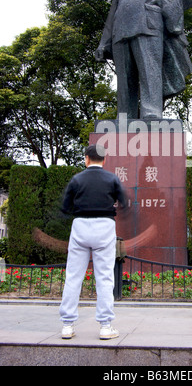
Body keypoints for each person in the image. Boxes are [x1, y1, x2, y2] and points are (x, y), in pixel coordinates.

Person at [95, 0, 192, 119]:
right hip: (119, 32)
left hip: (148, 27)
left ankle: (151, 111)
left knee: (150, 70)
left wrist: (163, 2)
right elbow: (112, 15)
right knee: (125, 78)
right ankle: (125, 115)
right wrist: (103, 43)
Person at [59, 144, 127, 340]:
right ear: (104, 160)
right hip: (105, 226)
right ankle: (105, 326)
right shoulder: (112, 178)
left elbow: (65, 207)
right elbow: (124, 203)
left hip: (80, 226)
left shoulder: (77, 179)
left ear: (86, 159)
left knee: (73, 276)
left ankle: (67, 325)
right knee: (105, 277)